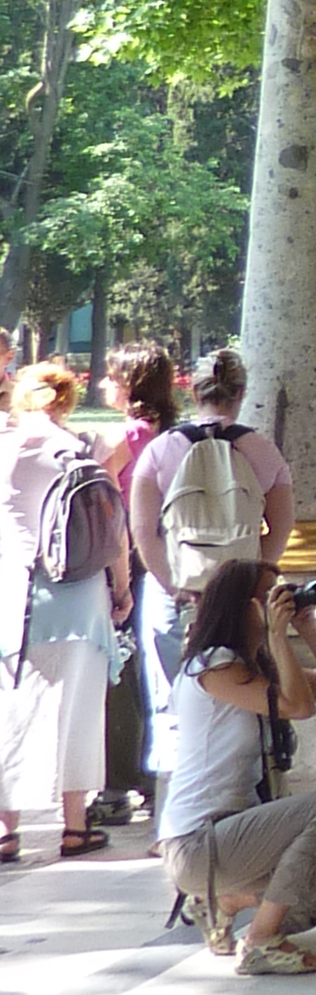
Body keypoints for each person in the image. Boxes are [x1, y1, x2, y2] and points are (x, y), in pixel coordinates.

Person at [157, 560, 316, 975]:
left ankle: (224, 901)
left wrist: (306, 630)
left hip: (239, 832)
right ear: (240, 606)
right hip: (198, 841)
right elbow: (299, 707)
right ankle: (261, 940)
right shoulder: (213, 666)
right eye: (268, 596)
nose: (279, 603)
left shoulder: (255, 663)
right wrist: (278, 634)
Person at [131, 348, 291, 774]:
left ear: (195, 391)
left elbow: (144, 532)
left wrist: (173, 586)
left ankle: (172, 805)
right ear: (240, 392)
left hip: (178, 590)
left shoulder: (161, 450)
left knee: (172, 699)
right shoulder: (263, 451)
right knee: (240, 689)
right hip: (240, 598)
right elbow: (280, 528)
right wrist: (252, 580)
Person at [1, 359, 132, 860]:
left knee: (8, 709)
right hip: (82, 596)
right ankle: (74, 827)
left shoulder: (3, 449)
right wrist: (121, 588)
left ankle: (6, 829)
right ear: (67, 400)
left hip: (15, 596)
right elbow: (113, 527)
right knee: (79, 712)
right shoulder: (88, 448)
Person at [95, 341, 179, 827]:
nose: (105, 385)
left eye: (112, 377)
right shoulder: (173, 432)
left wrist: (115, 575)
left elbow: (106, 506)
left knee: (123, 673)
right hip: (167, 556)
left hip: (130, 558)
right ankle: (153, 775)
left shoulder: (127, 436)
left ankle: (123, 778)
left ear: (131, 385)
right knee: (158, 666)